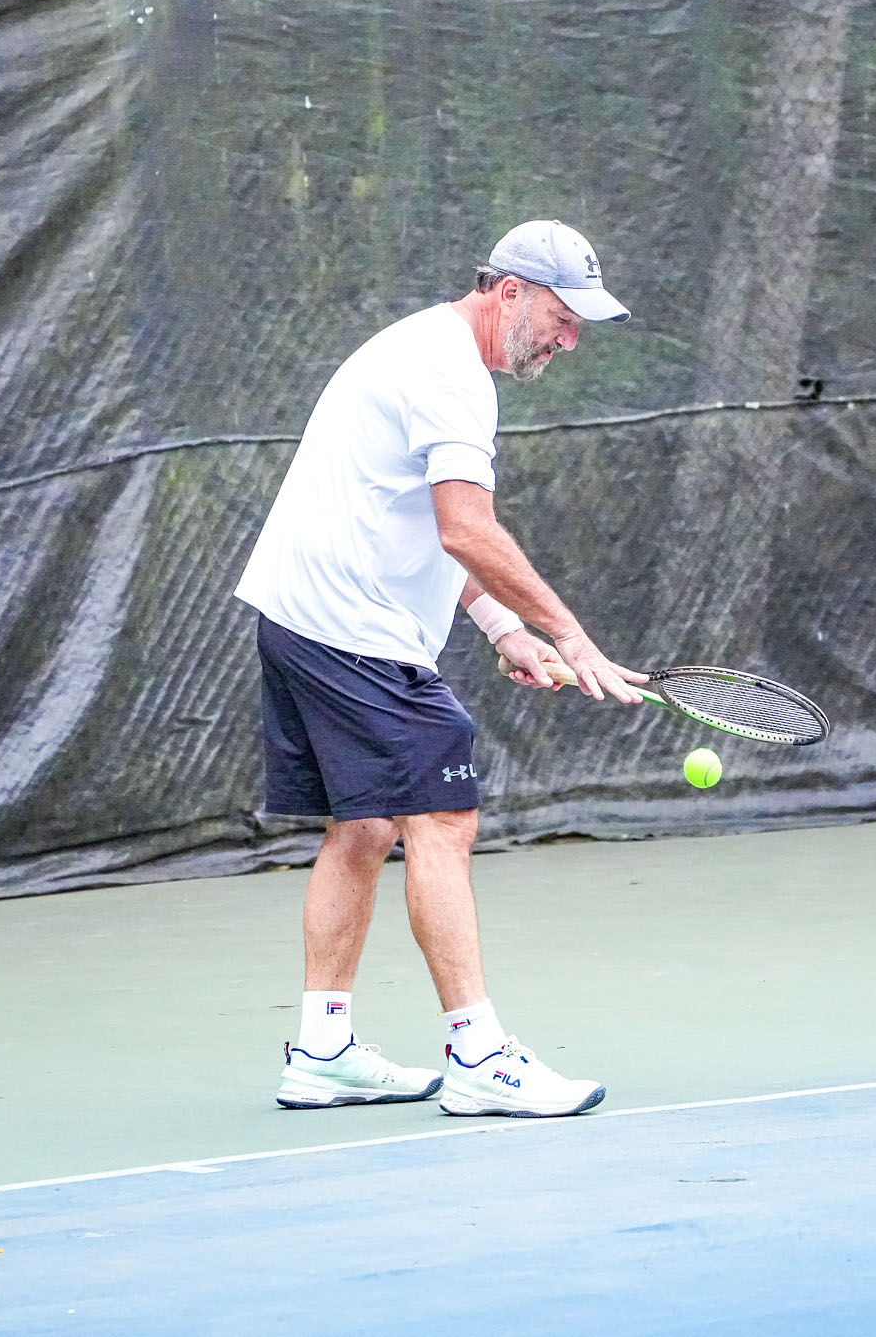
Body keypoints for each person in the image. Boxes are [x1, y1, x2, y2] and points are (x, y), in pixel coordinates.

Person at [234, 220, 646, 1118]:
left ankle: (323, 1049)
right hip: (352, 626)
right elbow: (465, 528)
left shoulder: (423, 347)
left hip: (298, 616)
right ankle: (479, 1054)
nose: (568, 340)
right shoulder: (450, 372)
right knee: (444, 817)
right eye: (562, 317)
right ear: (509, 292)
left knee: (364, 826)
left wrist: (504, 627)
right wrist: (571, 634)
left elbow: (416, 519)